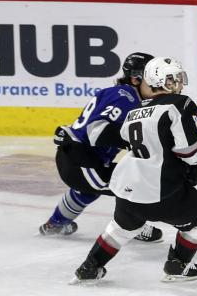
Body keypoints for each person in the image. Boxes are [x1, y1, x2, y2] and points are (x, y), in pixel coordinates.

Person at [70, 57, 197, 284]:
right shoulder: (181, 104)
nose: (179, 83)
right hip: (162, 190)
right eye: (174, 78)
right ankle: (177, 266)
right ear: (163, 80)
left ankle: (89, 267)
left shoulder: (135, 111)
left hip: (128, 189)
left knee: (122, 228)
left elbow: (153, 141)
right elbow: (187, 155)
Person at [39, 52, 162, 243]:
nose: (158, 85)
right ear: (135, 79)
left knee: (88, 190)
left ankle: (55, 224)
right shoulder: (126, 97)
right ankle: (133, 225)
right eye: (153, 80)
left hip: (79, 159)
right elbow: (96, 131)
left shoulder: (121, 94)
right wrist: (136, 140)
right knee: (133, 183)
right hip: (80, 160)